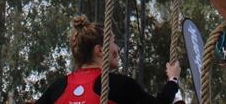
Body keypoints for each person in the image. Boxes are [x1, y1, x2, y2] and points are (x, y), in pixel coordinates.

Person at [35, 15, 180, 104]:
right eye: (113, 42)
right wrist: (173, 80)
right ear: (99, 51)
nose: (118, 48)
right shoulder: (120, 85)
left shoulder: (58, 88)